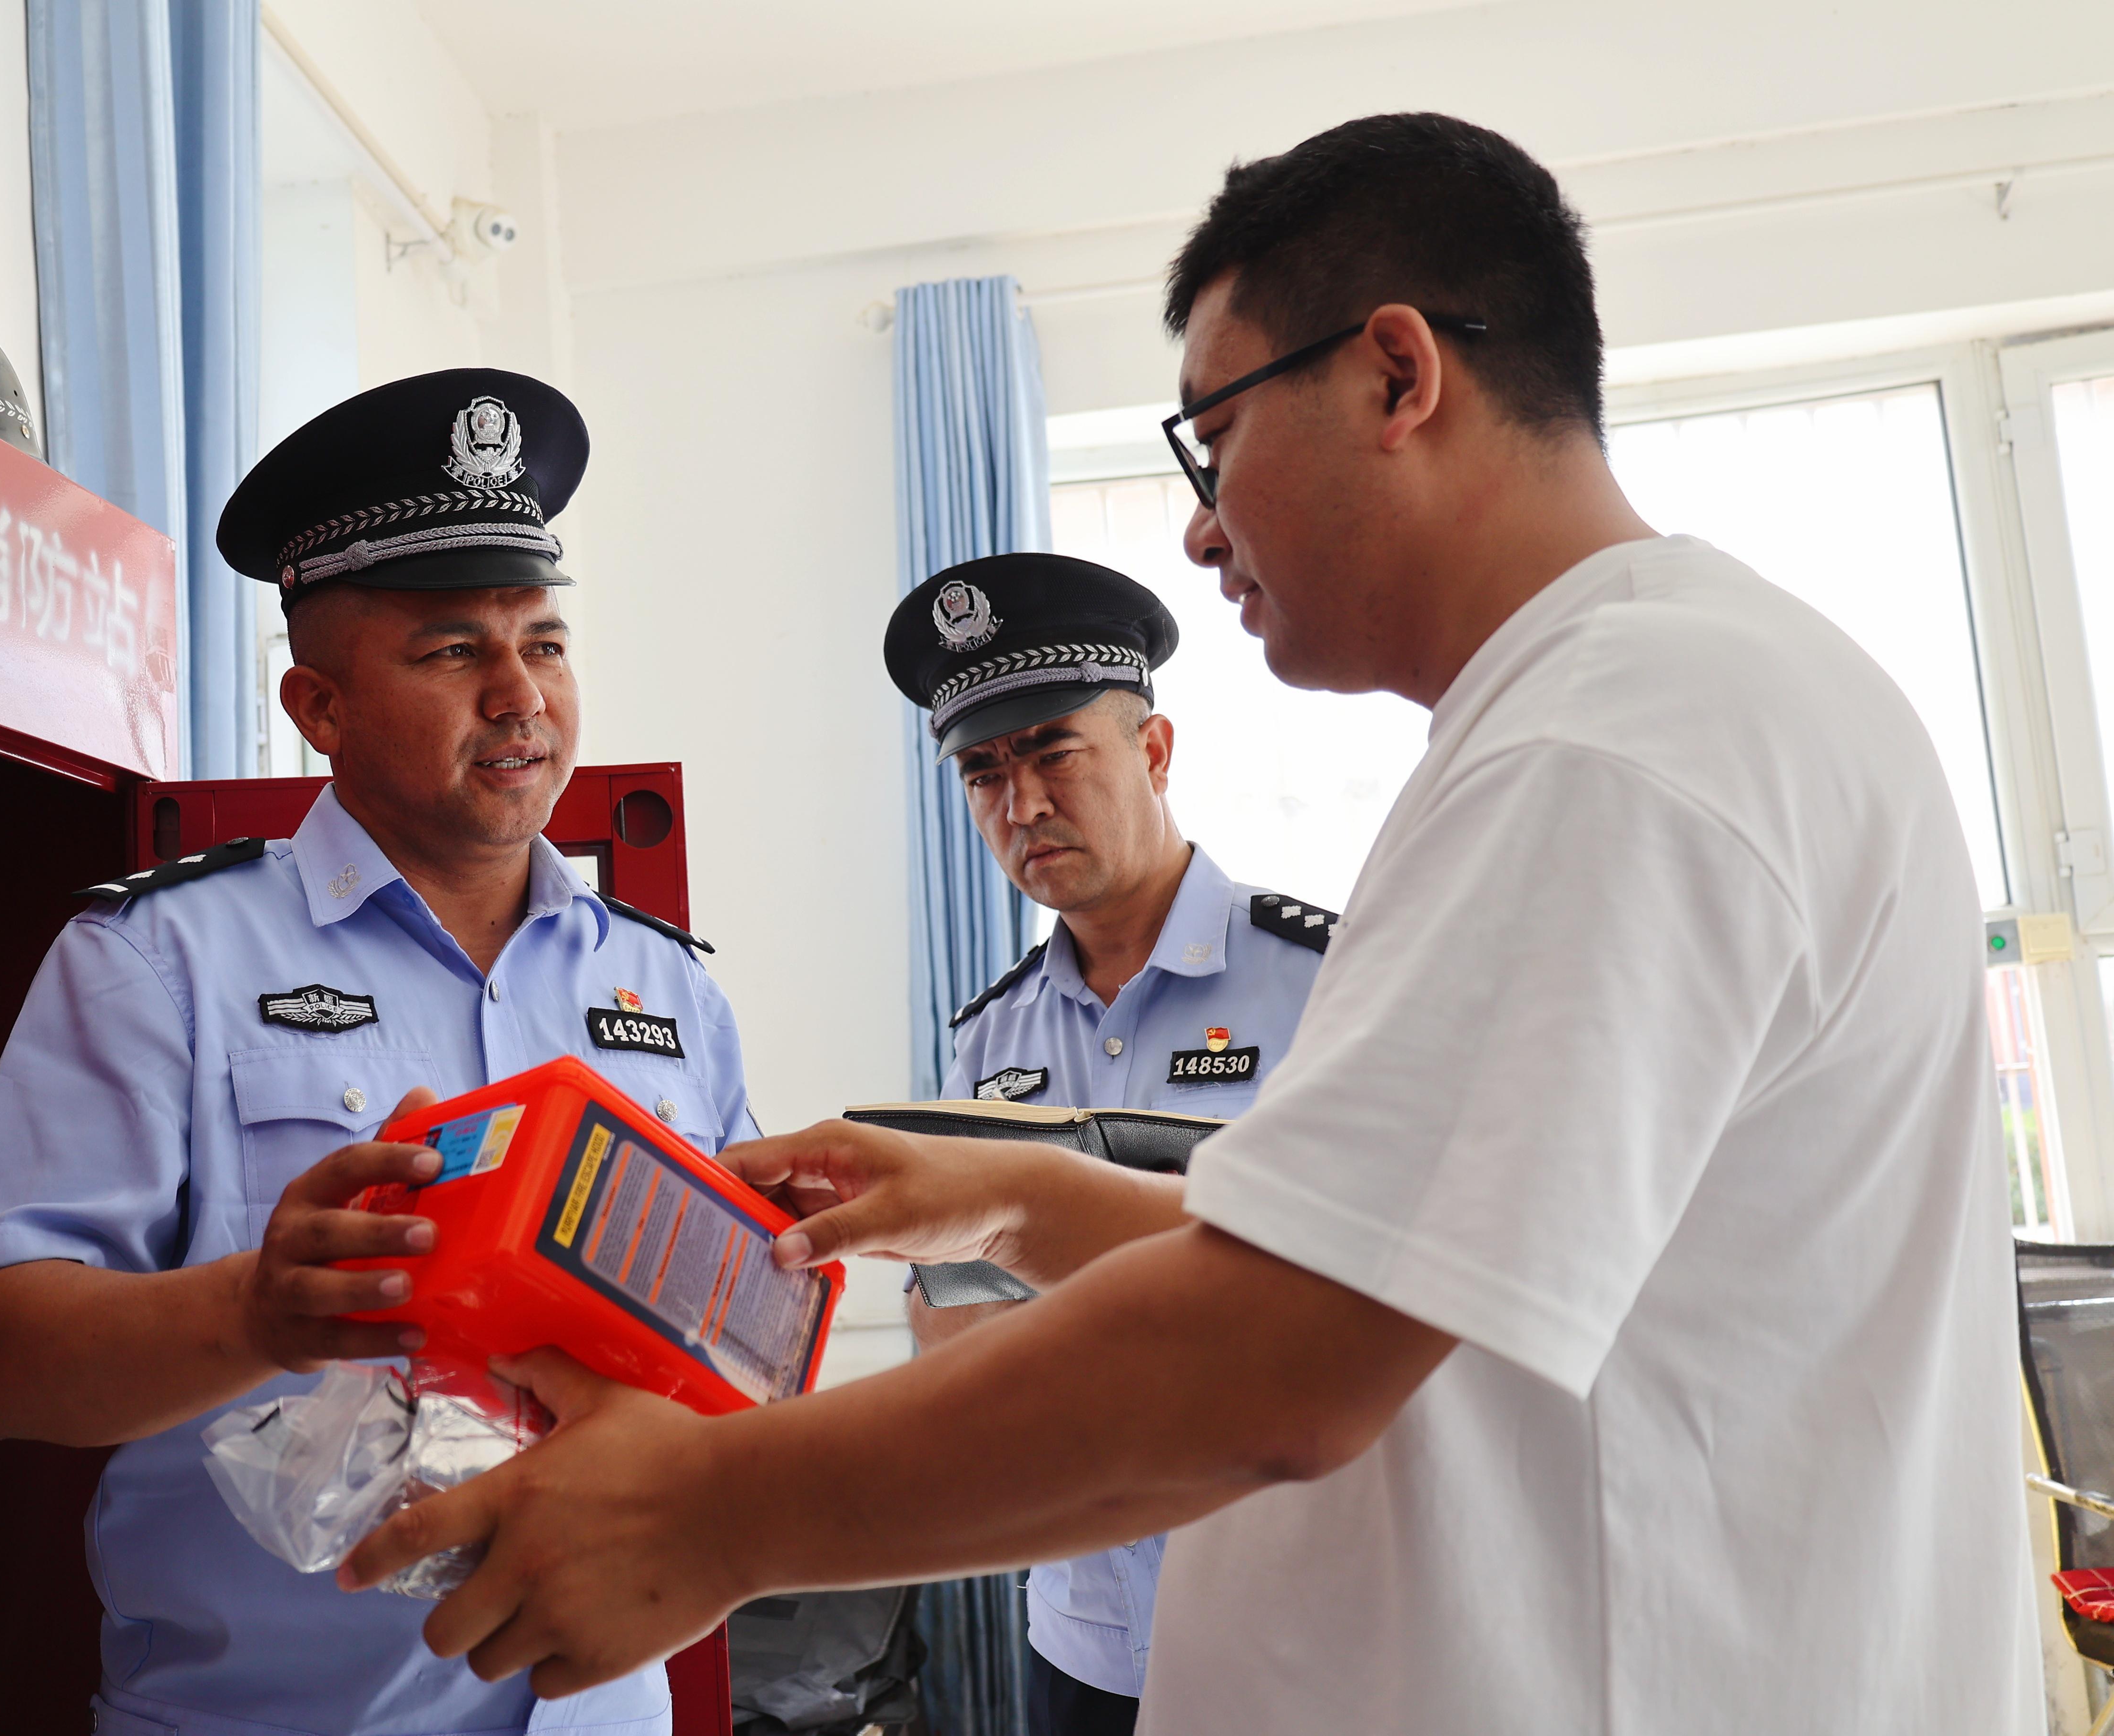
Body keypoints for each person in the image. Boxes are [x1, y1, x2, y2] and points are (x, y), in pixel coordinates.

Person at [335, 115, 2035, 1735]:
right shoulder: (1649, 702)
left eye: (1212, 445)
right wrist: (1011, 1194)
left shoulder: (1609, 743)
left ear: (1396, 375)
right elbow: (1392, 1271)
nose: (1206, 525)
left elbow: (1279, 1355)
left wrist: (715, 1512)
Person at [0, 368, 757, 1736]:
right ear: (317, 707)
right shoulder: (161, 962)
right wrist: (256, 1313)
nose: (519, 696)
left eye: (546, 643)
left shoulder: (667, 986)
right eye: (452, 652)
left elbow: (734, 1344)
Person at [882, 552, 1328, 1733]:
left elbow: (1343, 1305)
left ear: (1156, 750)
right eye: (983, 772)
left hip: (1292, 1636)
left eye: (1053, 752)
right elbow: (947, 1322)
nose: (1021, 804)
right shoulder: (990, 1041)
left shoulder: (1321, 985)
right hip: (1081, 1639)